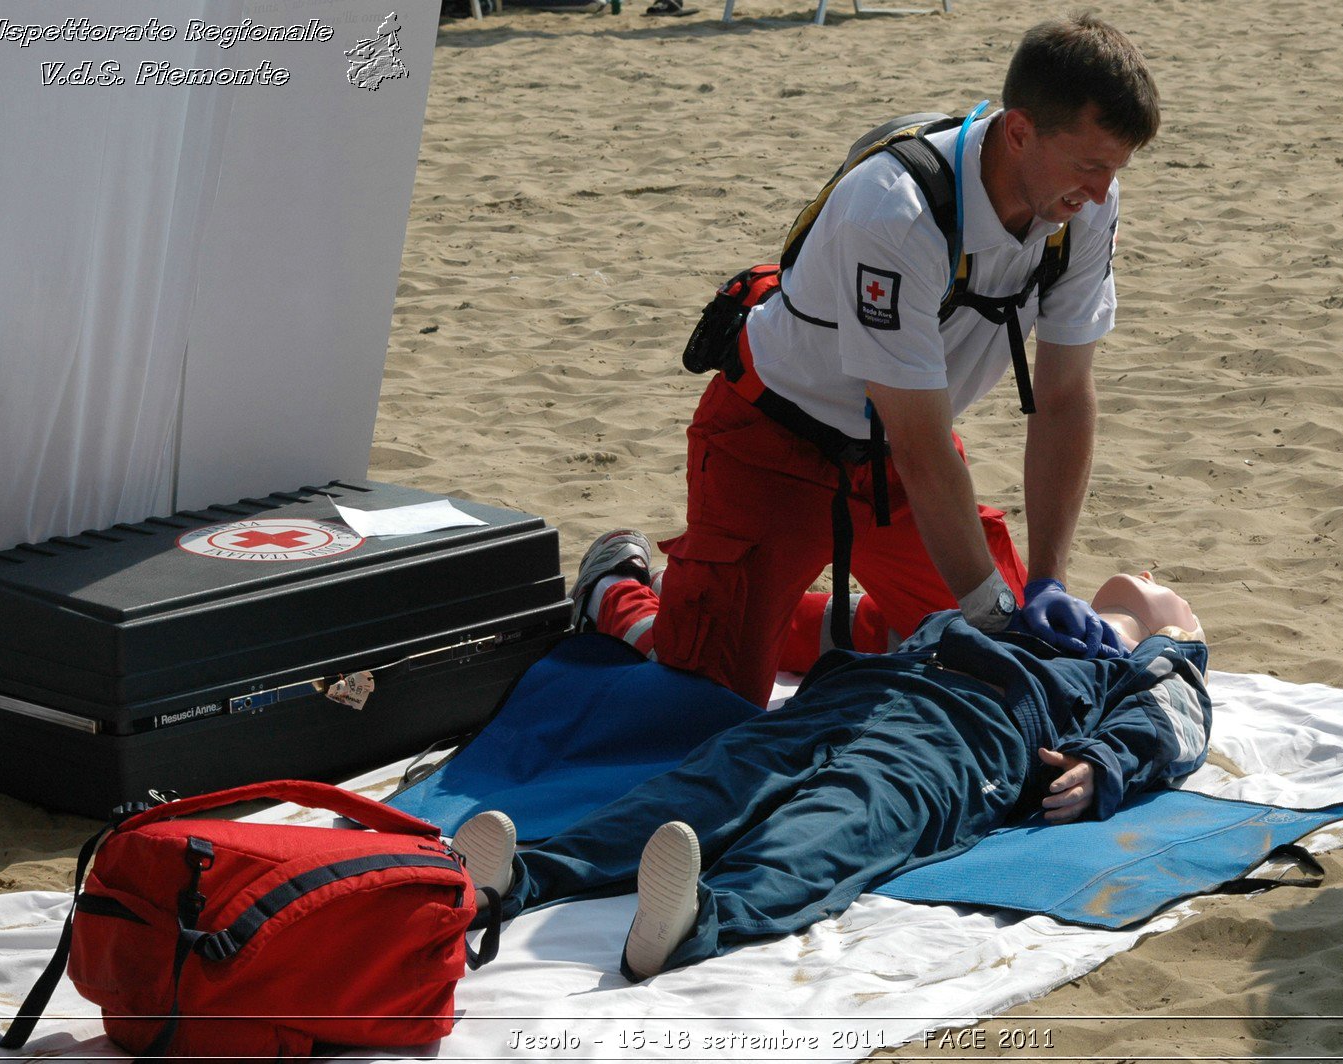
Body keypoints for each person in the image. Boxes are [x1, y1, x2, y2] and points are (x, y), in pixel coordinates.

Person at [575, 14, 1163, 705]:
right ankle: (621, 593)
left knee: (964, 657)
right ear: (1020, 131)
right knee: (703, 707)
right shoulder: (896, 210)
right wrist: (996, 618)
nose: (1099, 193)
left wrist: (1046, 583)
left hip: (897, 453)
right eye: (1090, 166)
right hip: (774, 439)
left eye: (1113, 170)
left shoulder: (1084, 203)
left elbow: (1063, 397)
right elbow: (920, 444)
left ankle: (774, 609)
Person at [453, 572, 1208, 981]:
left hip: (973, 733)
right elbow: (844, 617)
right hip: (865, 688)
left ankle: (696, 921)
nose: (1138, 575)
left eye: (1152, 583)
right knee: (710, 784)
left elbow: (1169, 725)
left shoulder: (1149, 668)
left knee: (842, 820)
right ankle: (518, 879)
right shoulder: (1009, 603)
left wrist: (1100, 763)